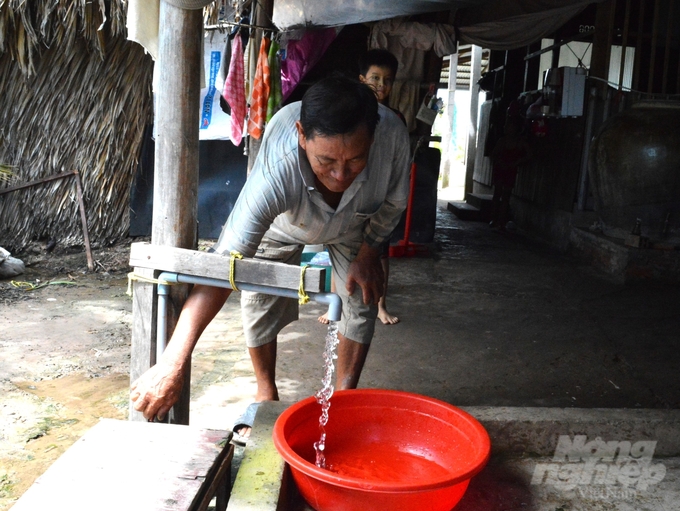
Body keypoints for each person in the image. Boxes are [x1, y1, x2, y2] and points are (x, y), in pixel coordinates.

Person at [130, 76, 410, 443]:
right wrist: (172, 362)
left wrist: (370, 250)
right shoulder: (277, 169)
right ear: (301, 135)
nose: (340, 175)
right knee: (259, 298)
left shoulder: (393, 138)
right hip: (284, 224)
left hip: (355, 226)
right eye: (326, 161)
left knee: (361, 299)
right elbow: (224, 267)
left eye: (355, 160)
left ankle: (343, 400)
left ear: (372, 140)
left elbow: (392, 204)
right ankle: (265, 392)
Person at [318, 49, 405, 326]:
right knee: (336, 249)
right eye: (374, 78)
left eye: (387, 80)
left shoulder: (395, 121)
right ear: (361, 80)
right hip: (350, 196)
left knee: (378, 251)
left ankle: (381, 304)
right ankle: (335, 305)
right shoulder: (348, 116)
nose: (380, 85)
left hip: (379, 199)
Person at [489, 115, 531, 230]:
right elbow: (493, 154)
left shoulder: (520, 142)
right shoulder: (502, 140)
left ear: (516, 128)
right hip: (501, 168)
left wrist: (517, 162)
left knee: (506, 196)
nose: (507, 128)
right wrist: (499, 162)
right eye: (506, 126)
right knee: (497, 194)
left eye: (510, 126)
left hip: (510, 169)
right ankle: (494, 219)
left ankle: (501, 221)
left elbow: (529, 155)